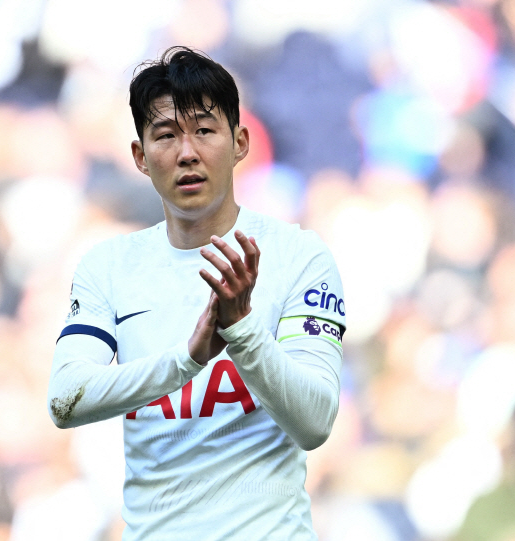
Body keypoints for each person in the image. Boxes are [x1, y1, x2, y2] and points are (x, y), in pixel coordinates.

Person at [47, 47, 346, 541]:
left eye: (205, 130)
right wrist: (188, 359)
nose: (187, 152)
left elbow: (315, 423)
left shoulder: (299, 257)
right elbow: (64, 400)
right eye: (166, 135)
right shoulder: (109, 267)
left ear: (240, 142)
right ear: (140, 158)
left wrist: (243, 330)